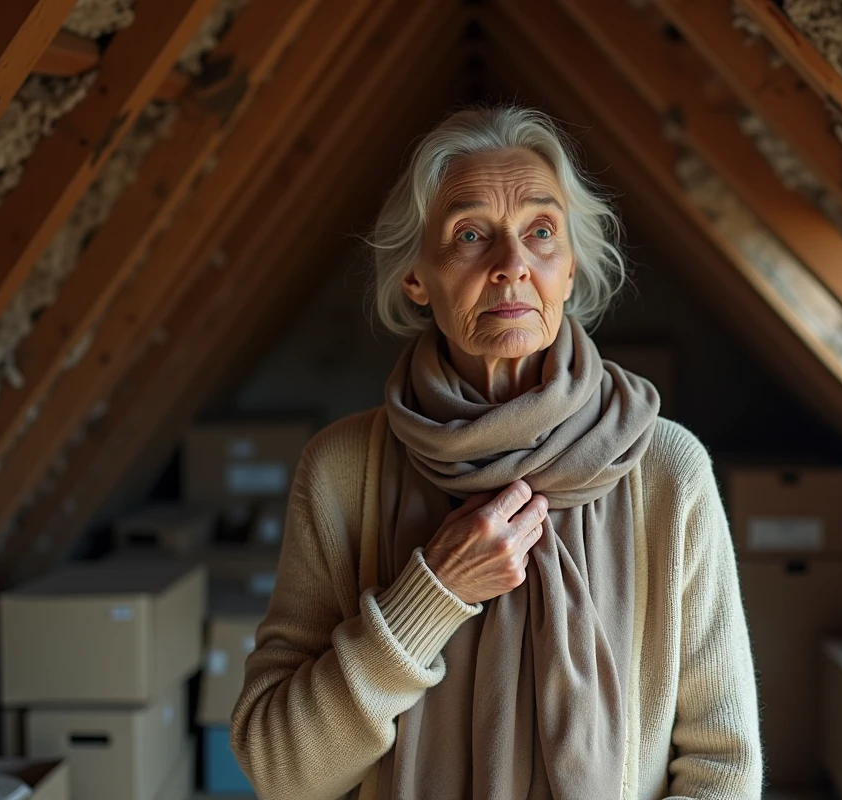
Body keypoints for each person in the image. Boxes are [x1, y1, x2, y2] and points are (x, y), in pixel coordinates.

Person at [230, 105, 763, 799]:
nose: (512, 266)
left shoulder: (666, 468)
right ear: (416, 278)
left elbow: (724, 768)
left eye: (541, 232)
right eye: (470, 234)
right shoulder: (341, 470)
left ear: (569, 268)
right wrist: (432, 595)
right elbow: (278, 771)